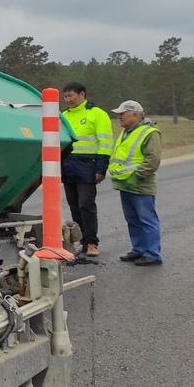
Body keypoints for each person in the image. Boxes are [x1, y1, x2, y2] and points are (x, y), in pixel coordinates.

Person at [60, 82, 113, 259]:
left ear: (82, 94)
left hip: (88, 166)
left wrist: (101, 167)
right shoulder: (64, 115)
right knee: (74, 206)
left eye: (70, 95)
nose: (67, 99)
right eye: (65, 96)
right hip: (68, 166)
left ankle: (92, 243)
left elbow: (105, 142)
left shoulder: (96, 114)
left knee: (86, 205)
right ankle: (82, 242)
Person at [108, 100, 163, 266]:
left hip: (140, 184)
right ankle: (138, 249)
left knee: (146, 219)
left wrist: (138, 176)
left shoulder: (150, 132)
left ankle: (152, 253)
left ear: (135, 114)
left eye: (122, 114)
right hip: (126, 184)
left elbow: (153, 159)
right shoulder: (127, 132)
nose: (119, 117)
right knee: (132, 219)